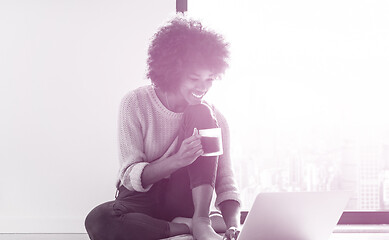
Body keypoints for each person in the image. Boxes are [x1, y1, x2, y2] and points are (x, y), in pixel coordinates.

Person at [85, 15, 241, 240]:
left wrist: (233, 226)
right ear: (173, 72)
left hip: (186, 199)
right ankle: (187, 226)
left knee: (201, 113)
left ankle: (202, 220)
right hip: (140, 200)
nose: (203, 87)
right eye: (194, 78)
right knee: (99, 220)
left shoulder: (214, 117)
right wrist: (178, 160)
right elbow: (130, 176)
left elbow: (225, 181)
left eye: (210, 79)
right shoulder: (135, 103)